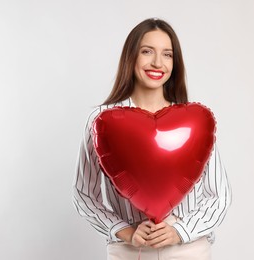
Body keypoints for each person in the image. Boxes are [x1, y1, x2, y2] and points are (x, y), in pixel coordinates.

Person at [73, 18, 231, 260]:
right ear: (131, 57)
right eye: (147, 51)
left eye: (167, 54)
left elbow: (219, 195)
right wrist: (125, 232)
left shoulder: (193, 122)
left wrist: (180, 231)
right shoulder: (102, 121)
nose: (158, 62)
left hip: (187, 250)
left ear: (174, 63)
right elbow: (84, 194)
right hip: (129, 252)